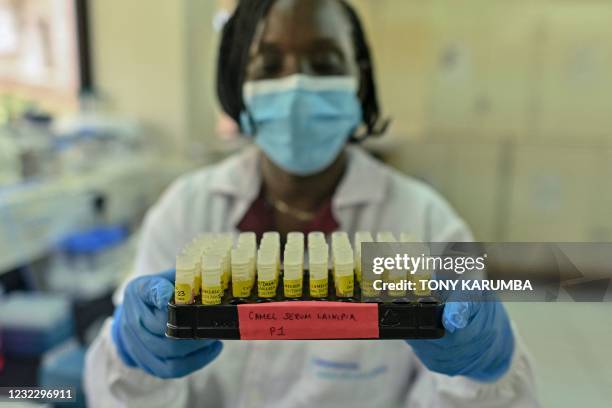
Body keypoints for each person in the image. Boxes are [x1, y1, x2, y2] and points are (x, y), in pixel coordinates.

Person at [84, 0, 539, 406]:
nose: (297, 86)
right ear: (238, 84)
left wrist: (487, 367)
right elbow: (117, 397)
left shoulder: (424, 222)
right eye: (269, 65)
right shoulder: (186, 210)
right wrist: (132, 356)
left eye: (324, 62)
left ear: (358, 82)